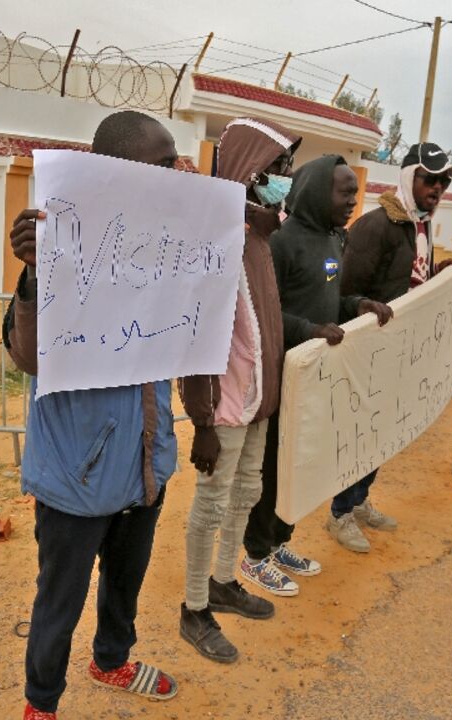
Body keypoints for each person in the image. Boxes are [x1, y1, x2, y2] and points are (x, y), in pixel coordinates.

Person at [5, 111, 181, 719]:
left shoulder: (171, 245)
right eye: (164, 164)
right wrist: (33, 275)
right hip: (77, 476)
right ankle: (41, 703)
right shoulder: (63, 242)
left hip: (145, 466)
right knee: (60, 597)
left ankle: (112, 661)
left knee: (124, 586)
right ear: (119, 170)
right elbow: (28, 354)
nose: (178, 173)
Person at [177, 117, 300, 663]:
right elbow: (197, 333)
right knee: (211, 501)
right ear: (249, 171)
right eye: (276, 169)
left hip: (259, 398)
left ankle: (225, 581)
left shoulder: (259, 235)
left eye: (288, 170)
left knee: (246, 493)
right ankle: (194, 605)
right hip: (225, 404)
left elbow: (265, 324)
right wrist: (201, 420)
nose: (285, 179)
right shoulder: (216, 237)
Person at [240, 155, 392, 588]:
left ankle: (277, 540)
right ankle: (254, 553)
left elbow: (328, 303)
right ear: (315, 191)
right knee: (272, 467)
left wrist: (357, 306)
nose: (352, 200)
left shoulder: (333, 241)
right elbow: (264, 311)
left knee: (300, 466)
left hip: (316, 378)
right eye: (344, 191)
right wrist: (309, 330)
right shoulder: (283, 243)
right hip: (283, 373)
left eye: (354, 192)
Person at [331, 142, 452, 553]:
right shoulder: (377, 225)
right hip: (372, 350)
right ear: (408, 178)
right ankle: (340, 513)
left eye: (443, 181)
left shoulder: (418, 226)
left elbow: (407, 280)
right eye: (429, 179)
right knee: (362, 433)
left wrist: (439, 275)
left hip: (403, 349)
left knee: (383, 430)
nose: (437, 188)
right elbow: (350, 292)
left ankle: (361, 498)